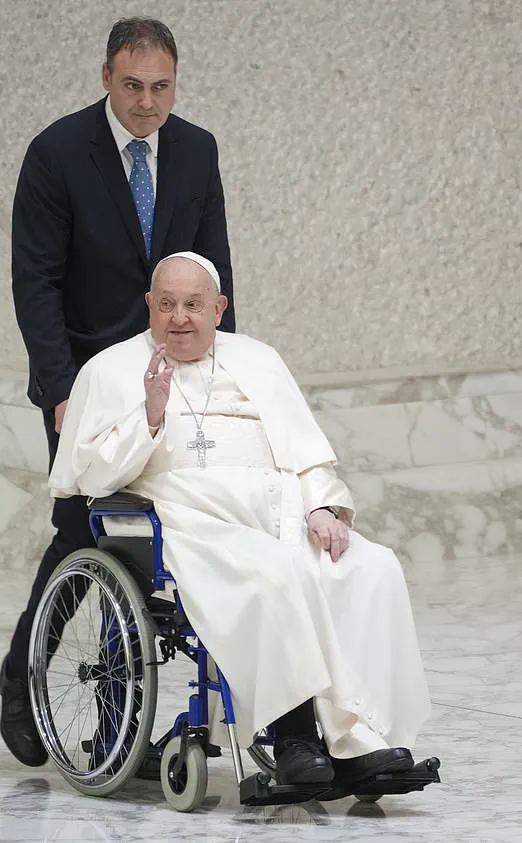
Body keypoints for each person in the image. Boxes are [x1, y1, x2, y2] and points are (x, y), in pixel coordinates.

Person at [48, 252, 433, 788]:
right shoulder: (109, 369)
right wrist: (149, 415)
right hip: (191, 525)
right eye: (166, 305)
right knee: (275, 573)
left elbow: (305, 453)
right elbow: (90, 477)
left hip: (282, 516)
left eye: (193, 305)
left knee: (372, 567)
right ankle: (296, 739)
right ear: (149, 306)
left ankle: (364, 739)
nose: (179, 318)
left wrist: (320, 505)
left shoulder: (259, 359)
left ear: (219, 308)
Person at [0, 18, 235, 767]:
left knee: (150, 540)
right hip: (88, 380)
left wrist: (228, 374)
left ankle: (114, 728)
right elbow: (35, 283)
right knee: (84, 530)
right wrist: (61, 393)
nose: (146, 103)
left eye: (161, 87)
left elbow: (215, 272)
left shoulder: (196, 150)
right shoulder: (57, 153)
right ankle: (23, 676)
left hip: (175, 372)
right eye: (132, 86)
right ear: (106, 78)